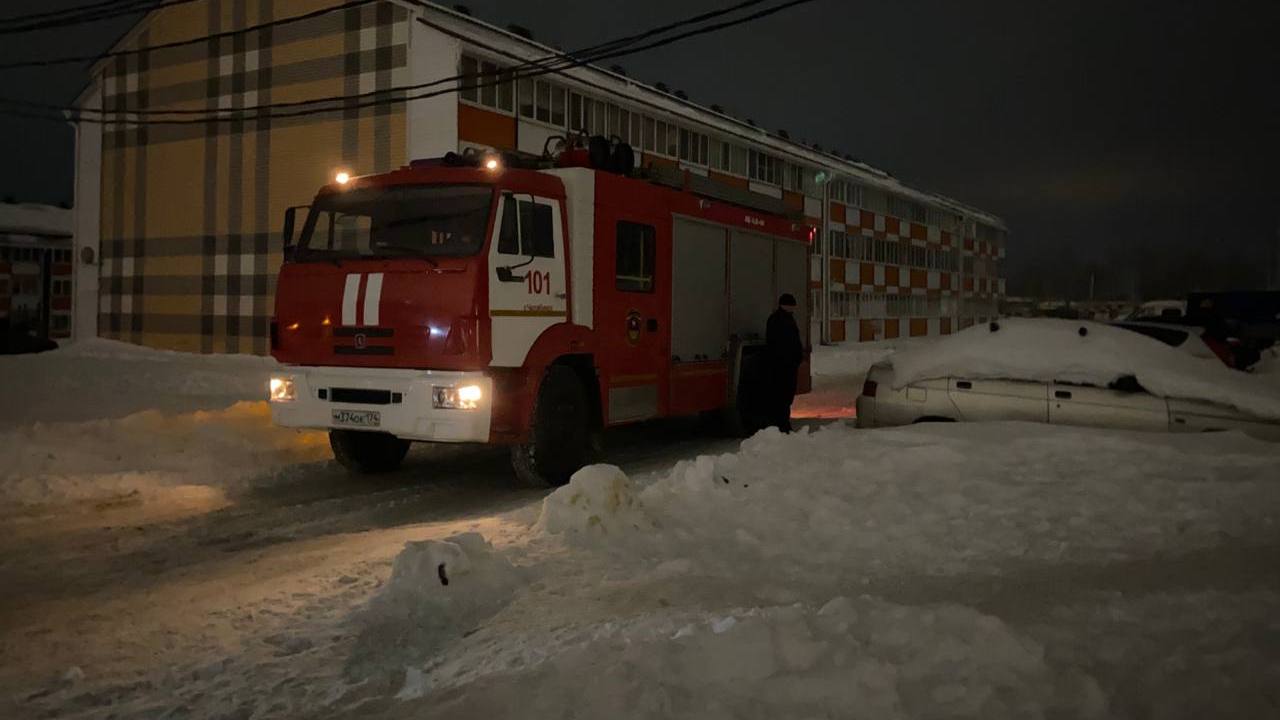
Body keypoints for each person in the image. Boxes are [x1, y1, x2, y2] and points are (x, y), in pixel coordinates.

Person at [764, 293, 804, 432]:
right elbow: (780, 344)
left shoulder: (785, 319)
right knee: (782, 396)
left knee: (785, 396)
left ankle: (782, 424)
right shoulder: (779, 320)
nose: (793, 308)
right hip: (782, 366)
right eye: (791, 305)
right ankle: (781, 425)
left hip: (787, 365)